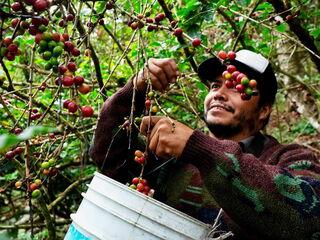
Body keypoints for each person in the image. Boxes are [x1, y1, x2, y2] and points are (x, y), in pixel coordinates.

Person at [89, 49, 320, 240]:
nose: (219, 93)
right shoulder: (171, 156)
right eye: (214, 86)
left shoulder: (290, 158)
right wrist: (135, 91)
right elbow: (106, 153)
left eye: (234, 87)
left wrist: (201, 150)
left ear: (263, 110)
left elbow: (309, 218)